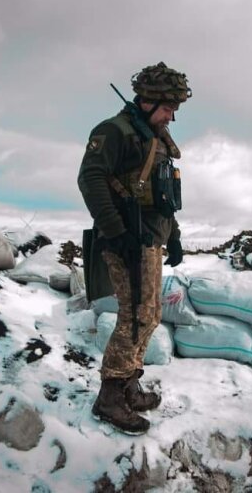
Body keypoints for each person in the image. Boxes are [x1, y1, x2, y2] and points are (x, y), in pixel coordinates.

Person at [77, 62, 191, 434]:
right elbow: (90, 178)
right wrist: (116, 231)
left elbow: (162, 196)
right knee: (135, 315)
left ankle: (129, 382)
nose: (172, 114)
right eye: (168, 106)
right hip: (126, 239)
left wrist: (172, 236)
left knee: (151, 312)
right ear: (147, 100)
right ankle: (110, 397)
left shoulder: (153, 137)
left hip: (151, 238)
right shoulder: (115, 131)